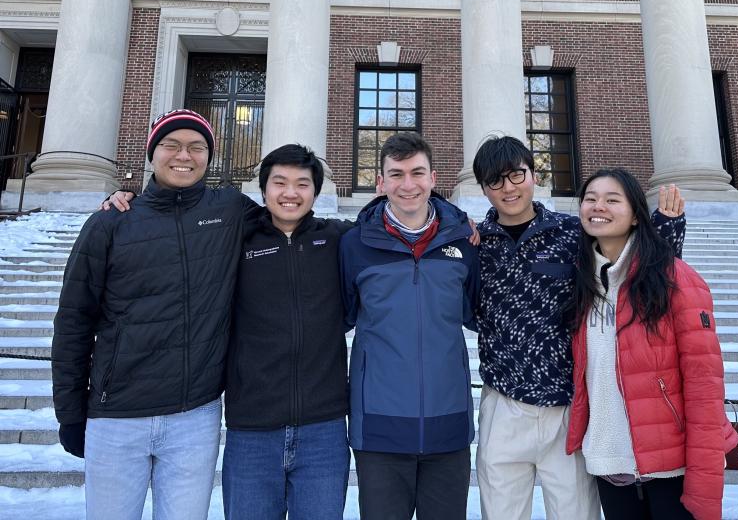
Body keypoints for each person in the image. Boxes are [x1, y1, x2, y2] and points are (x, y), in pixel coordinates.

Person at [52, 109, 259, 520]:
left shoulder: (230, 210)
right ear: (152, 152)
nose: (184, 155)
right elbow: (74, 321)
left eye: (197, 146)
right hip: (116, 419)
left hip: (194, 418)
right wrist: (70, 413)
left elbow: (293, 217)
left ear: (209, 156)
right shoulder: (109, 223)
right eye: (171, 144)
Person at [471, 135, 686, 520]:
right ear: (484, 188)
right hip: (503, 403)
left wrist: (667, 230)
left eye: (516, 175)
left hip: (569, 405)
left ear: (532, 174)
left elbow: (634, 272)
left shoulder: (574, 234)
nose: (508, 188)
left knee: (576, 514)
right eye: (495, 181)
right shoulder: (475, 245)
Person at [566, 168, 738, 520]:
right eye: (590, 199)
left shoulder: (677, 279)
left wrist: (705, 476)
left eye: (613, 200)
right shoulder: (580, 283)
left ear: (634, 216)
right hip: (609, 464)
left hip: (671, 468)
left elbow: (704, 385)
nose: (599, 207)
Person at [338, 132, 481, 520]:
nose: (408, 185)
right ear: (380, 182)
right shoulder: (354, 246)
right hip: (379, 429)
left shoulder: (465, 244)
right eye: (396, 174)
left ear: (434, 178)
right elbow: (342, 315)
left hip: (448, 427)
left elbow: (477, 312)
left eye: (417, 173)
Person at [221, 144, 352, 520]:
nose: (290, 193)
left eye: (302, 184)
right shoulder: (235, 241)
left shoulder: (336, 241)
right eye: (279, 182)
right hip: (252, 430)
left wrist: (449, 214)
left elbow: (393, 219)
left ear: (315, 191)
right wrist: (127, 197)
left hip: (323, 430)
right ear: (263, 190)